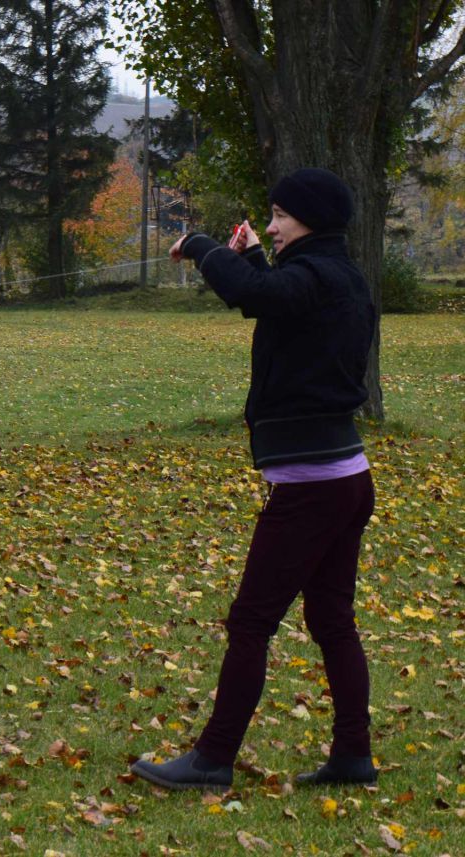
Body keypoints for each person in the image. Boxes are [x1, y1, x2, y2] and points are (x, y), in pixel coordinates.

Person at [131, 168, 378, 790]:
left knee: (250, 623)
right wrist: (250, 259)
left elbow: (261, 294)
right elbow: (272, 298)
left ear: (311, 220)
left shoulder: (318, 278)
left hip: (312, 486)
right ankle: (353, 757)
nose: (271, 226)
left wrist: (201, 246)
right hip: (346, 477)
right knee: (332, 620)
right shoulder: (340, 277)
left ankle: (213, 759)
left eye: (280, 216)